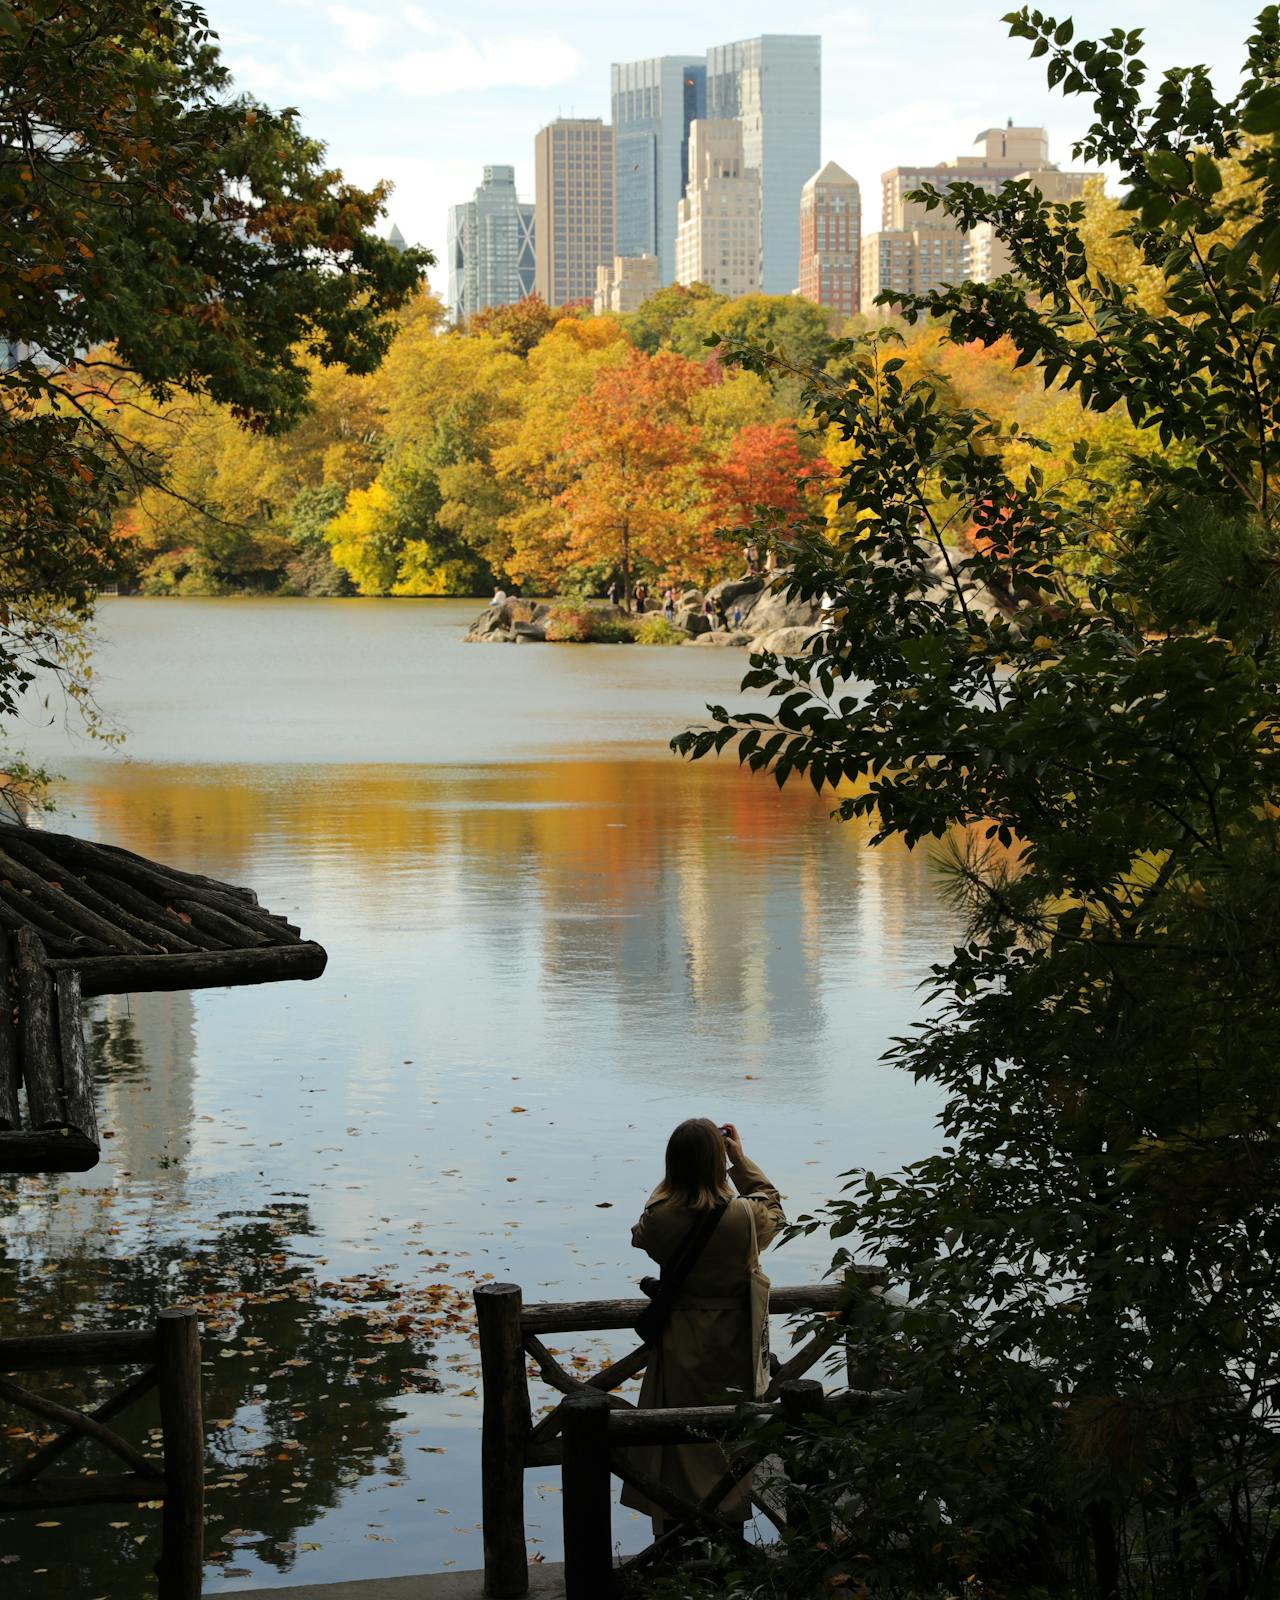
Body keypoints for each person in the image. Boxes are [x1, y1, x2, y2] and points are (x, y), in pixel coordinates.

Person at [620, 1119, 784, 1534]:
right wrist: (739, 1160)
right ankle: (732, 1545)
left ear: (672, 1164)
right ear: (717, 1163)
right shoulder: (745, 1216)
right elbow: (774, 1208)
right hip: (736, 1339)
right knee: (727, 1440)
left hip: (681, 1337)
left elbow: (642, 1234)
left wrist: (670, 1185)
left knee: (678, 1439)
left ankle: (674, 1545)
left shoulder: (661, 1216)